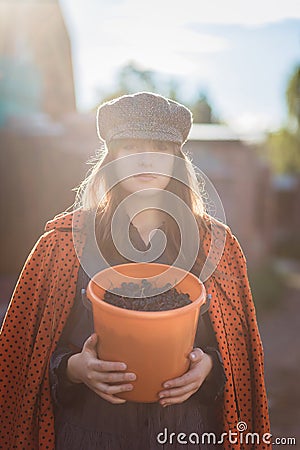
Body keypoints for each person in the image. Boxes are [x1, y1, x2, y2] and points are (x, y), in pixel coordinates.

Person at [0, 92, 271, 450]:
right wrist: (73, 369)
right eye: (129, 147)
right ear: (111, 158)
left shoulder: (217, 248)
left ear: (177, 160)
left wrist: (209, 367)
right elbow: (22, 357)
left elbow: (240, 355)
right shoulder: (62, 244)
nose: (145, 159)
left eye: (159, 147)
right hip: (88, 434)